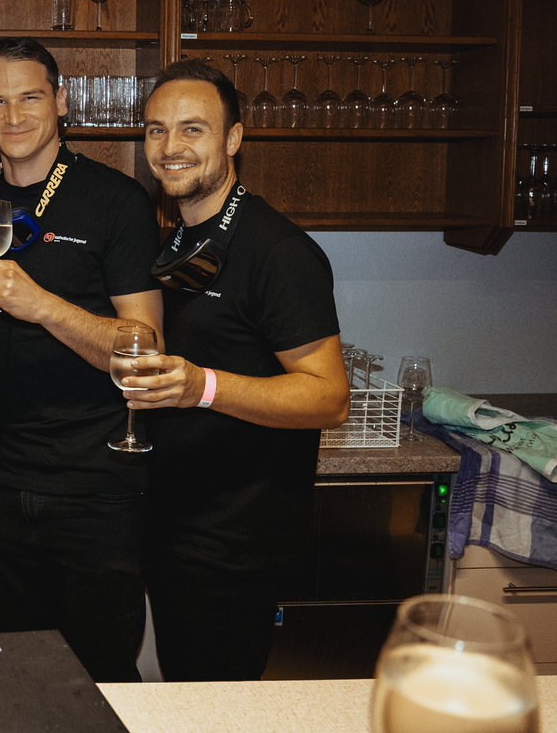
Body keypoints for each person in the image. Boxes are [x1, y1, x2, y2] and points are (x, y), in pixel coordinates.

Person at [0, 37, 163, 683]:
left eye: (30, 97)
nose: (13, 116)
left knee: (100, 674)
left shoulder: (116, 200)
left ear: (62, 101)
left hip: (96, 483)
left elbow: (147, 346)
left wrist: (41, 305)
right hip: (0, 476)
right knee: (21, 676)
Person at [124, 58, 349, 681]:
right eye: (156, 129)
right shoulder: (178, 239)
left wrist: (203, 386)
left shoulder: (279, 252)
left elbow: (329, 397)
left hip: (236, 543)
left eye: (192, 129)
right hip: (175, 524)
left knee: (216, 708)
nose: (170, 147)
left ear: (233, 139)